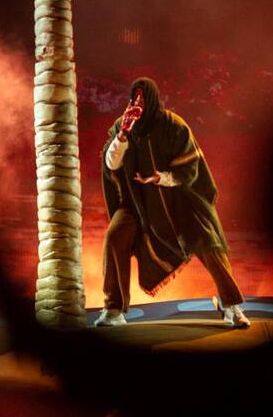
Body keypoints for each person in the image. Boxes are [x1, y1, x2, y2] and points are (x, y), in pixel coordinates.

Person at [95, 77, 250, 329]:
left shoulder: (173, 125)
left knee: (208, 241)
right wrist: (123, 133)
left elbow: (190, 169)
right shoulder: (122, 125)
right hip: (137, 203)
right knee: (115, 236)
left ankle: (232, 306)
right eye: (135, 97)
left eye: (143, 97)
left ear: (153, 99)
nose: (139, 102)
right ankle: (113, 310)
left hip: (177, 201)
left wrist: (161, 178)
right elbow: (112, 164)